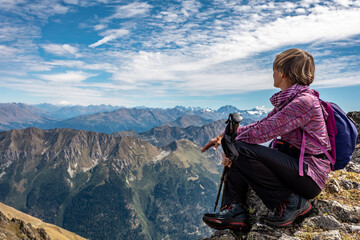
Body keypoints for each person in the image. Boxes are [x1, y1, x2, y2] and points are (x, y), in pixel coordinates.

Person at [201, 48, 331, 230]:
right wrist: (224, 137)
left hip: (310, 175)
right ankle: (235, 211)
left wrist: (229, 142)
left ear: (284, 73)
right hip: (297, 168)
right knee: (237, 147)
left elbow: (263, 132)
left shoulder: (304, 102)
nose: (273, 73)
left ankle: (291, 202)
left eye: (274, 69)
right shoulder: (290, 101)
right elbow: (261, 124)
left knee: (239, 148)